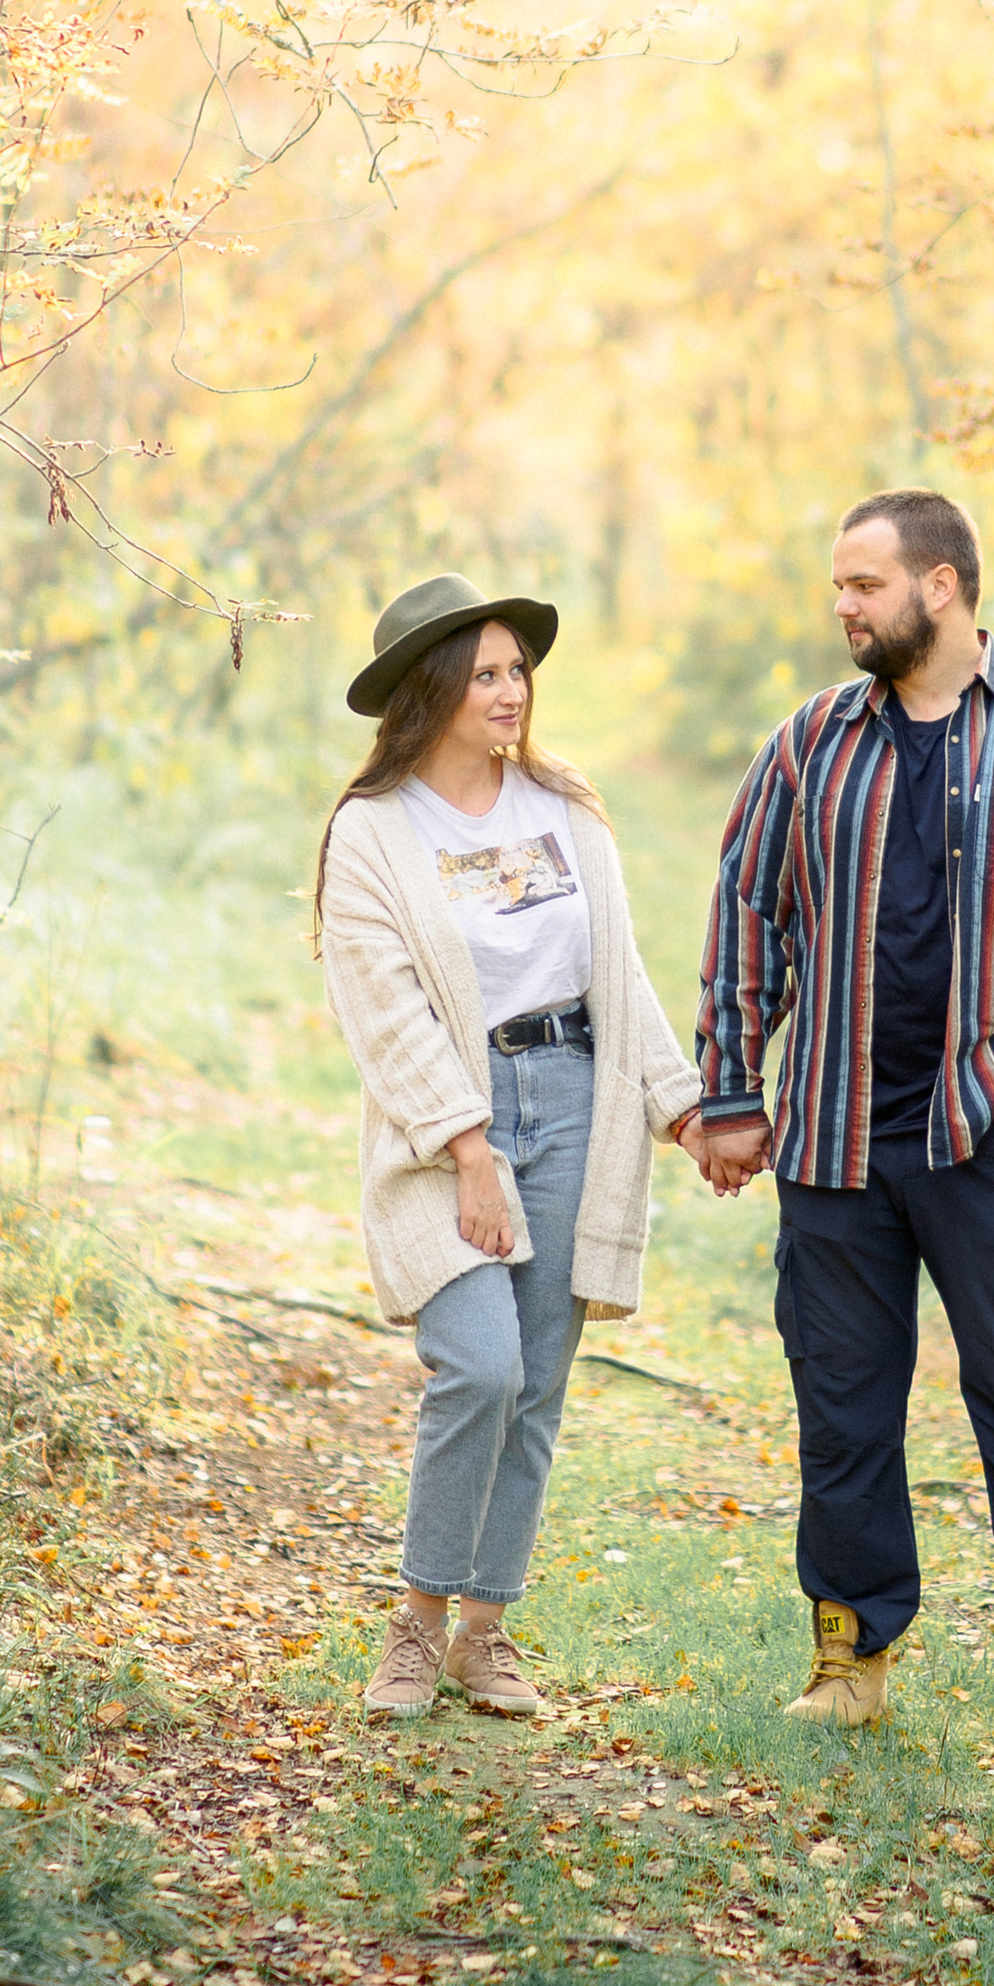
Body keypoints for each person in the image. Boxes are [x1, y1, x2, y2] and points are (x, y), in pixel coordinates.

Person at [690, 490, 994, 1760]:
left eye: (864, 584)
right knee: (843, 1403)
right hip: (836, 1142)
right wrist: (733, 1095)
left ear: (942, 585)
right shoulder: (806, 745)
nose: (842, 607)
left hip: (993, 1140)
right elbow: (749, 914)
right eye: (837, 586)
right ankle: (850, 1656)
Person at [317, 571, 704, 1722]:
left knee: (535, 1385)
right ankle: (415, 1625)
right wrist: (469, 1152)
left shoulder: (563, 810)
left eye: (516, 669)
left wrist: (678, 1106)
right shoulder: (373, 835)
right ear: (431, 689)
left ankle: (486, 1632)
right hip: (453, 1123)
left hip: (577, 1094)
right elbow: (383, 1013)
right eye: (483, 672)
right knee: (477, 1366)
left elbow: (616, 974)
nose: (509, 690)